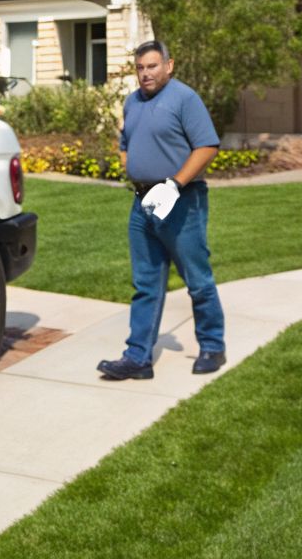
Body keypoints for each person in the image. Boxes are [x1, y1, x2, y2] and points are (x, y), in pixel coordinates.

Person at [97, 40, 227, 380]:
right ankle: (138, 358)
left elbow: (207, 146)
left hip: (181, 200)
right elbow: (125, 144)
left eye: (152, 66)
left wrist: (173, 185)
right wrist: (131, 167)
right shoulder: (132, 102)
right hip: (142, 203)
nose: (146, 74)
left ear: (169, 66)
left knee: (197, 279)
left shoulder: (184, 98)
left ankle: (213, 346)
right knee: (145, 283)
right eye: (140, 68)